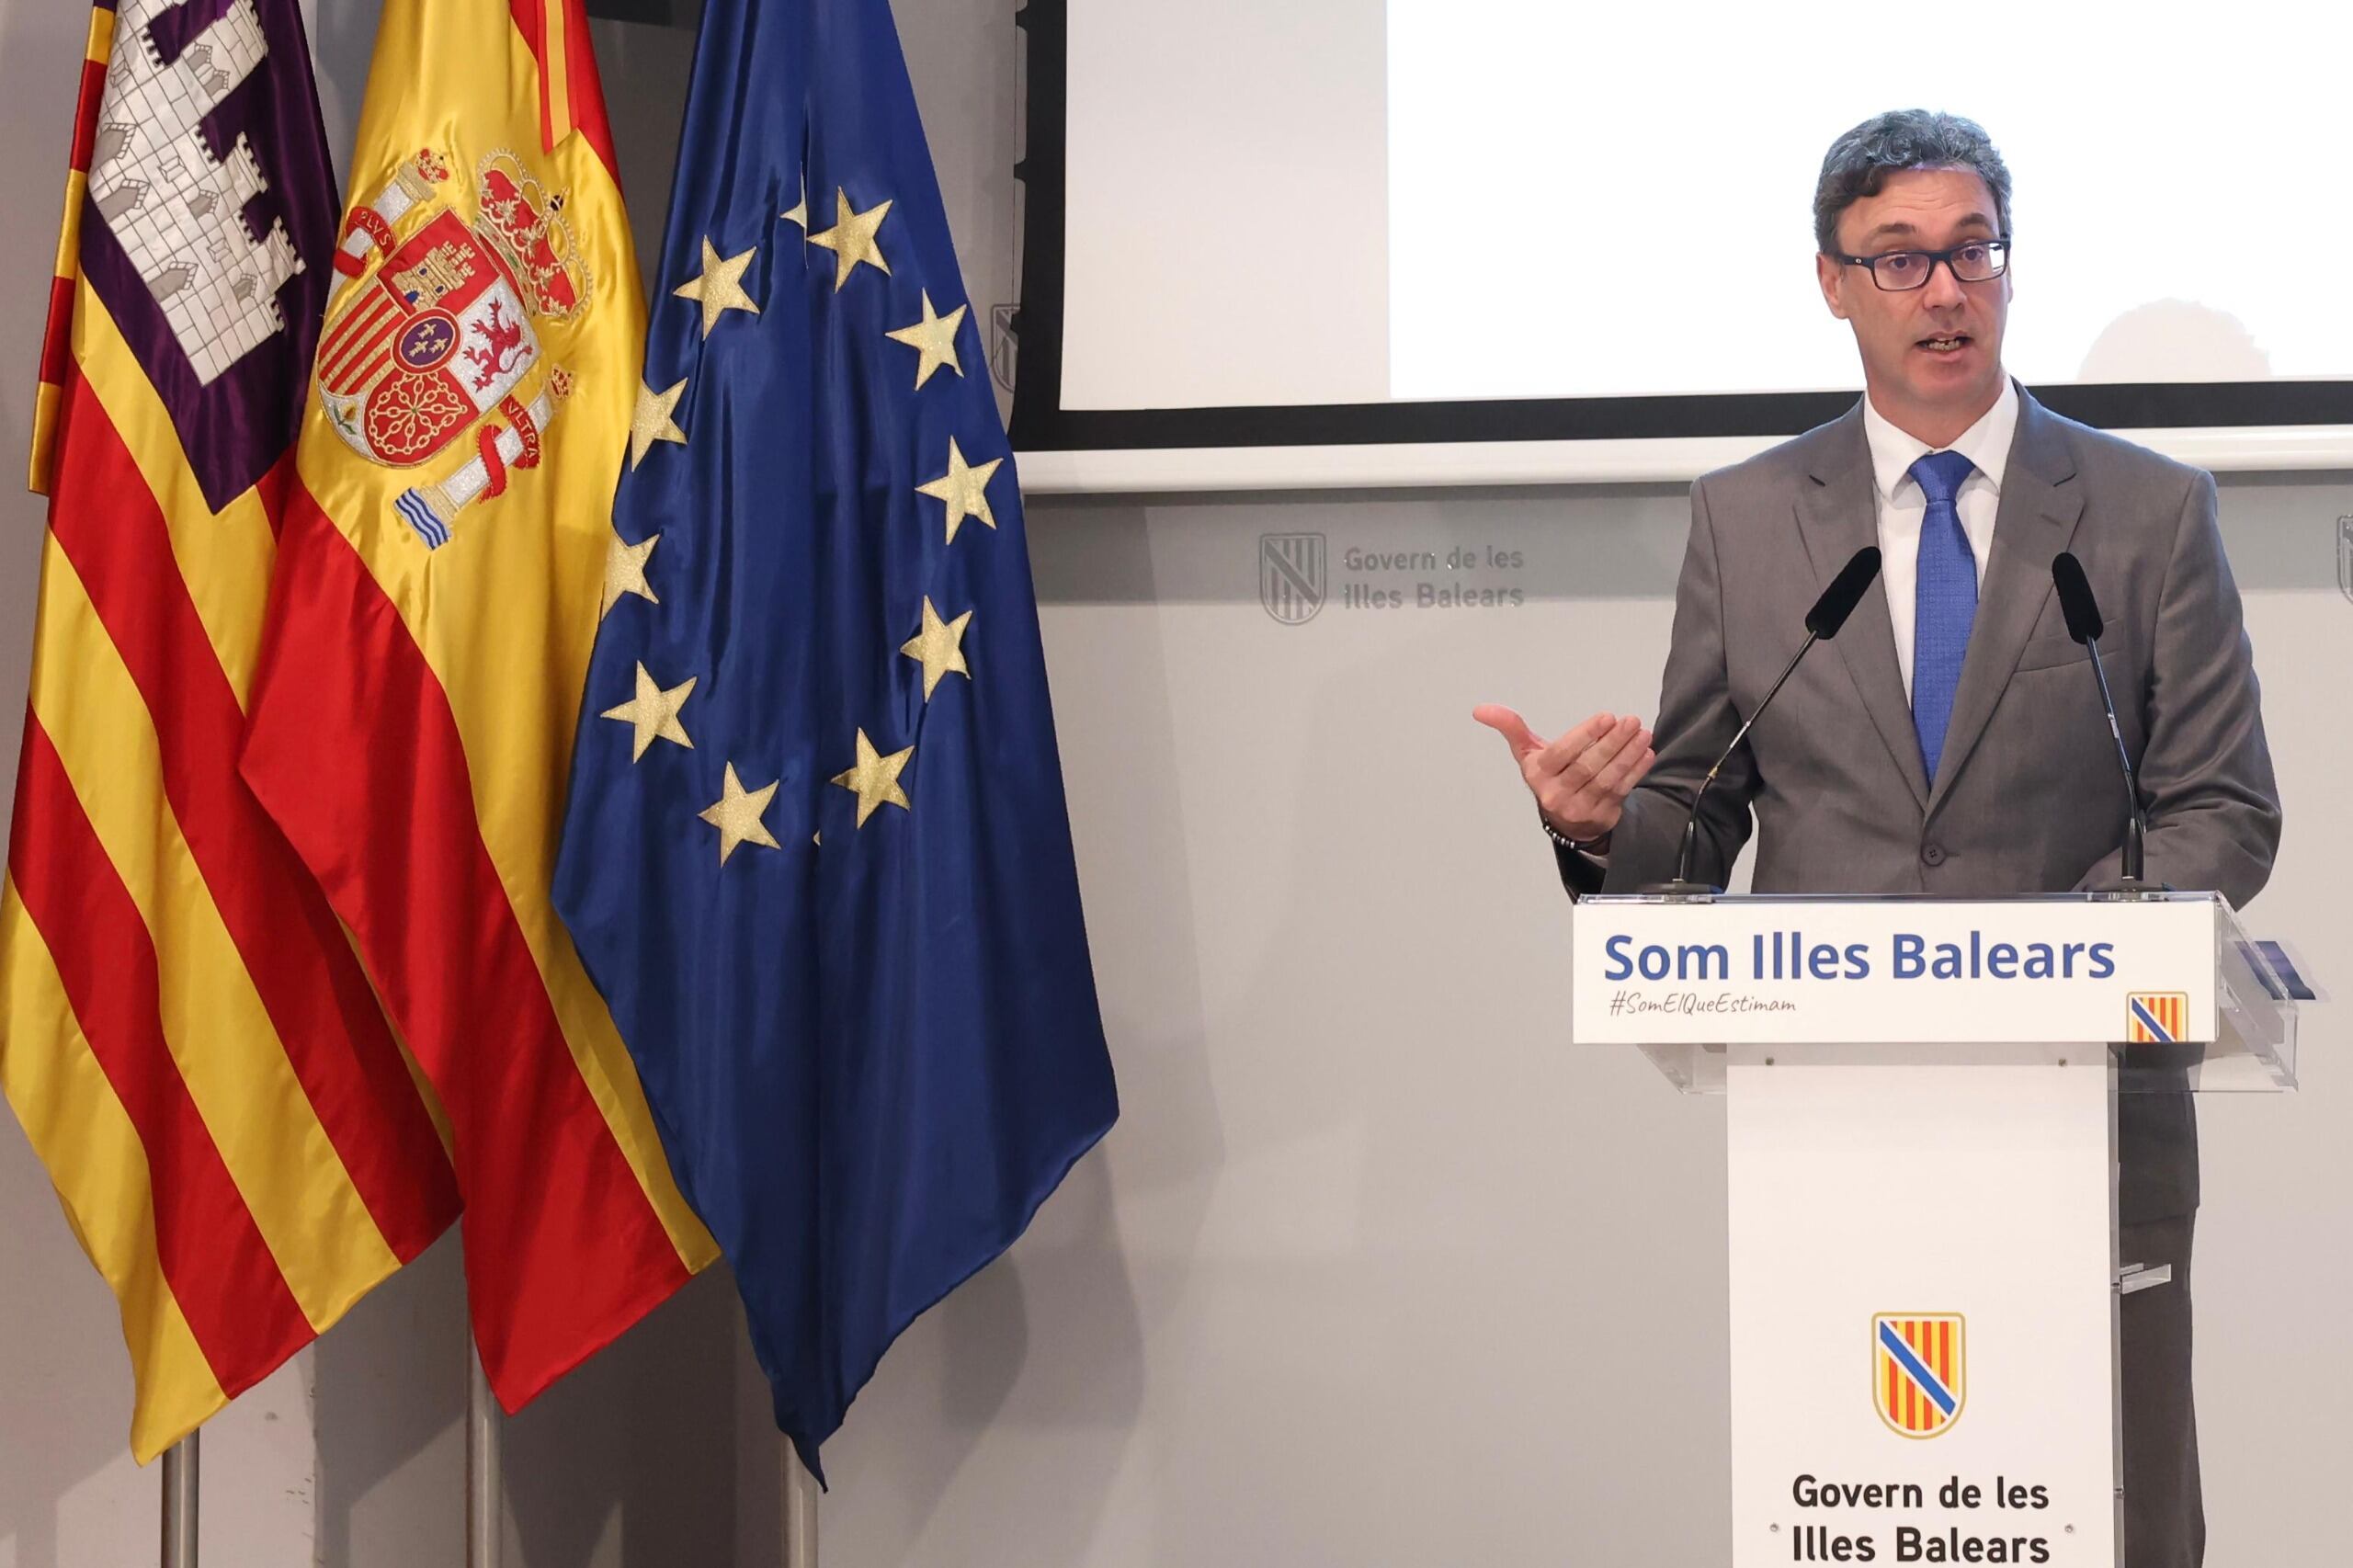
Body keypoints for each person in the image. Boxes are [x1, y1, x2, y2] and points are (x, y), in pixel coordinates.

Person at [1474, 109, 2280, 1568]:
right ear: (1832, 282)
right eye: (1898, 260)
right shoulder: (1749, 519)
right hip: (1835, 1119)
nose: (1945, 290)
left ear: (2010, 270)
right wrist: (1603, 835)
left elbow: (2224, 804)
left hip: (2093, 1112)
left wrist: (2079, 947)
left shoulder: (2153, 513)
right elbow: (1705, 799)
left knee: (2116, 1499)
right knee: (1852, 1492)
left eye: (1973, 250)